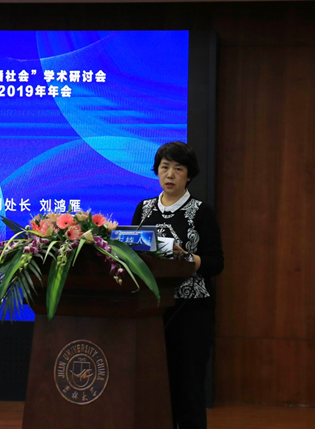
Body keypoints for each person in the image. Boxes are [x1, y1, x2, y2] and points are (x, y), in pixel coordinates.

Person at [131, 141, 224, 429]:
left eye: (178, 168)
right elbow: (134, 252)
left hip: (190, 311)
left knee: (188, 386)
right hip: (151, 309)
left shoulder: (201, 211)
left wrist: (185, 257)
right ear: (157, 171)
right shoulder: (144, 209)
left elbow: (216, 262)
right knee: (156, 385)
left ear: (189, 175)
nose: (170, 174)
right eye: (164, 167)